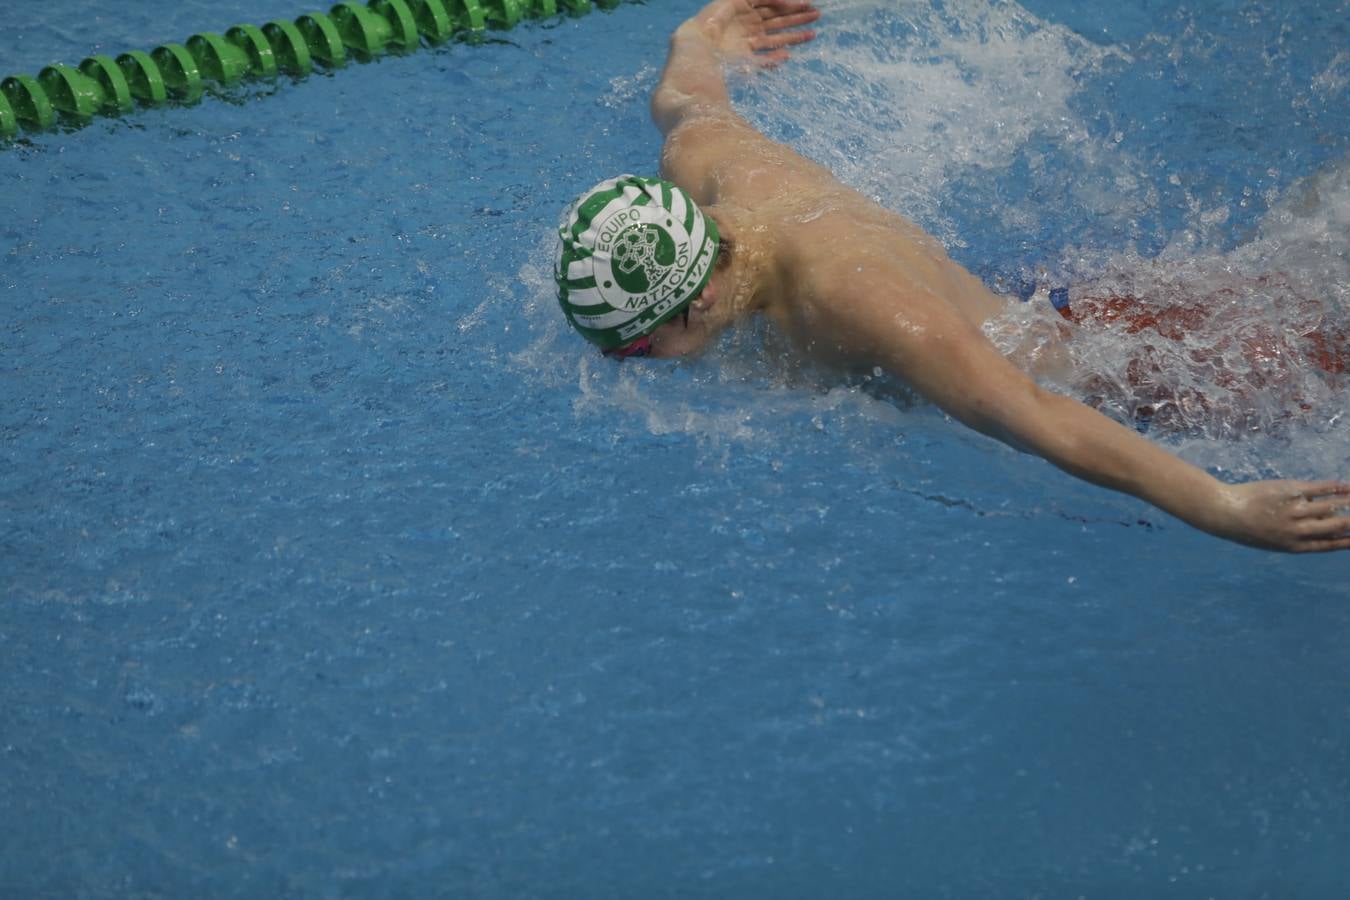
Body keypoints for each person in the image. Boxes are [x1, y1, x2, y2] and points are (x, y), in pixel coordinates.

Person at [552, 0, 1350, 553]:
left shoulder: (849, 296)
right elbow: (684, 92)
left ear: (695, 306)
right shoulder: (702, 164)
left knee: (1317, 349)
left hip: (1105, 369)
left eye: (631, 350)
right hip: (1030, 297)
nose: (627, 368)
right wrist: (706, 29)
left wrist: (1222, 503)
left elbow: (1034, 412)